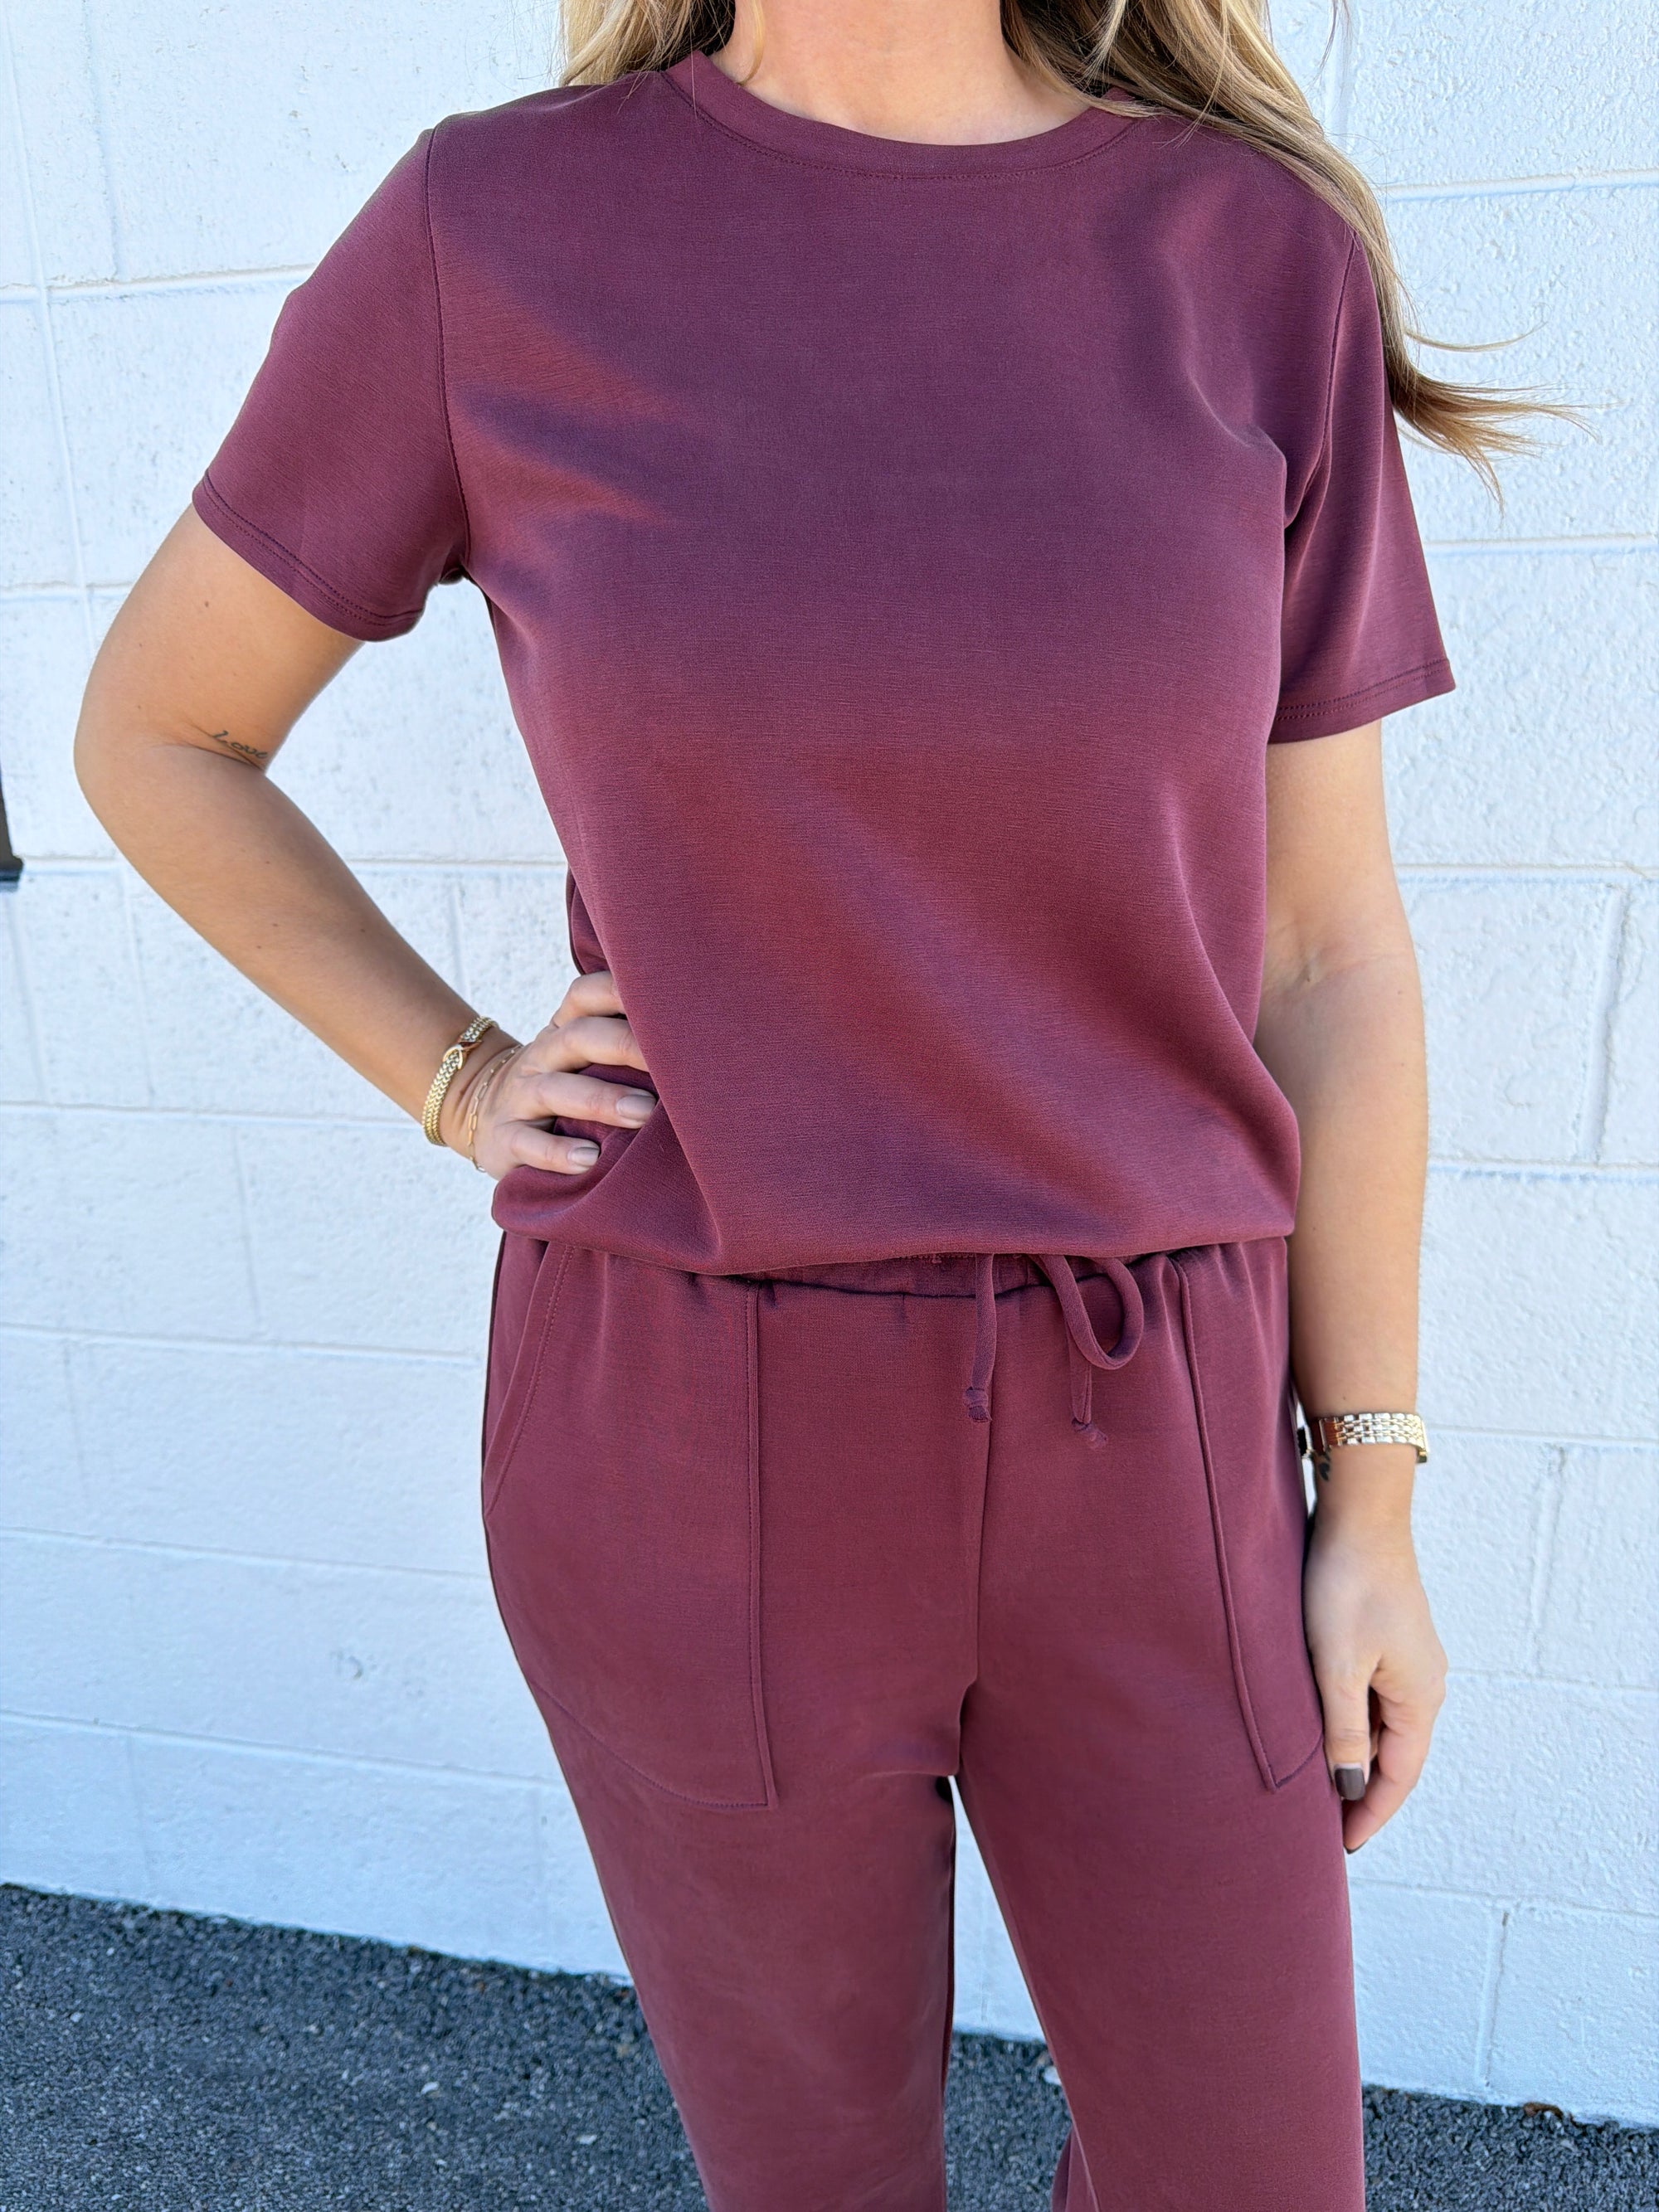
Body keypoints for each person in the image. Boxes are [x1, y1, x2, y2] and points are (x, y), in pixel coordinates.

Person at [74, 2, 1549, 2205]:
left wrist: (1380, 1494)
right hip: (688, 1422)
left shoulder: (1251, 259)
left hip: (1160, 1428)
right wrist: (456, 1075)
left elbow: (1328, 956)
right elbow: (158, 731)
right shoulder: (496, 230)